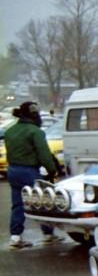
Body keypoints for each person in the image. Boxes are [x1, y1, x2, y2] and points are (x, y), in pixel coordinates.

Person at [6, 101, 59, 248]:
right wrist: (52, 170)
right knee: (42, 203)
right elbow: (44, 155)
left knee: (18, 204)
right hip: (29, 171)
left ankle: (15, 237)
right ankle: (48, 233)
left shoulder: (10, 131)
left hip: (12, 171)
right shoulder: (35, 132)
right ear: (34, 115)